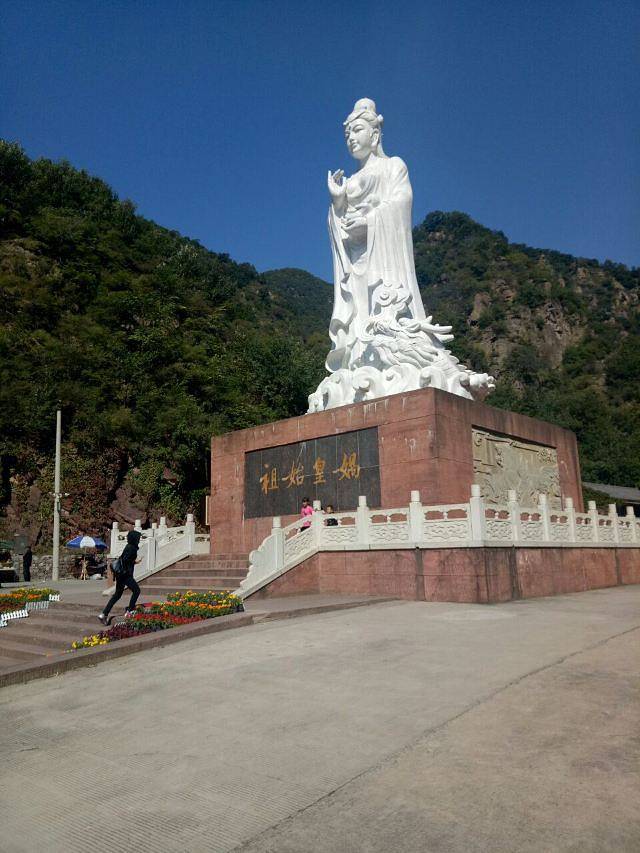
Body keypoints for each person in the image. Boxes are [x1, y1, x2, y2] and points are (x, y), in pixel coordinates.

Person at [98, 530, 142, 626]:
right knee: (136, 590)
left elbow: (125, 559)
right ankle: (130, 611)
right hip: (125, 575)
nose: (139, 540)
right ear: (134, 538)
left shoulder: (128, 546)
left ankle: (104, 614)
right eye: (138, 538)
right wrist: (133, 562)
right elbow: (126, 560)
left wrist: (135, 562)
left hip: (120, 574)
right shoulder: (132, 548)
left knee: (117, 595)